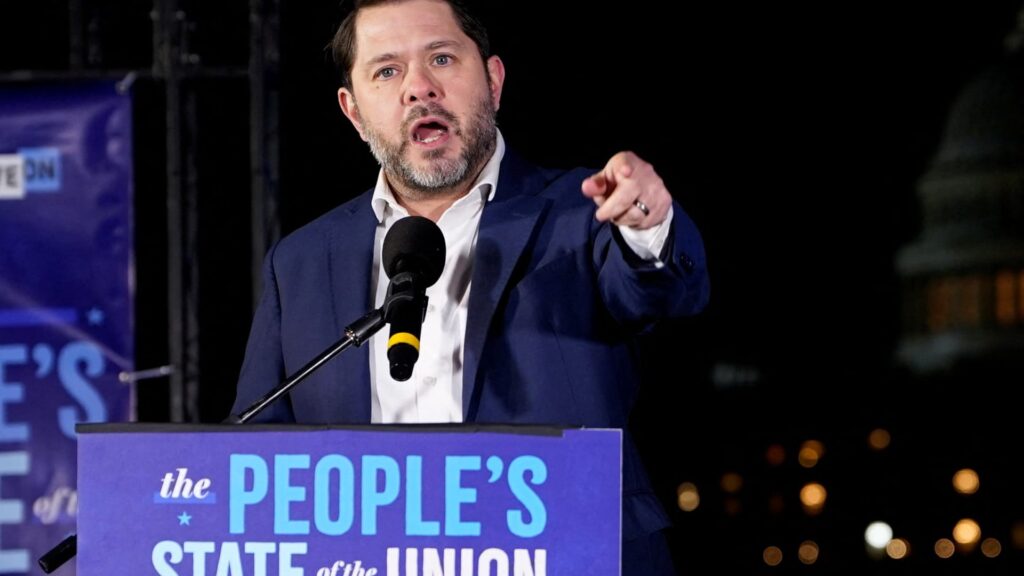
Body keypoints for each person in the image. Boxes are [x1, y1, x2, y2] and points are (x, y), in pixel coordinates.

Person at [232, 0, 709, 573]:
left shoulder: (584, 215)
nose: (419, 88)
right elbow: (253, 449)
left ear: (493, 80)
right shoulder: (301, 261)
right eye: (387, 71)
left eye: (441, 58)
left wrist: (647, 222)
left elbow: (660, 291)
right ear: (353, 111)